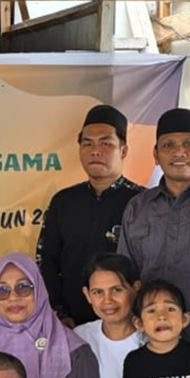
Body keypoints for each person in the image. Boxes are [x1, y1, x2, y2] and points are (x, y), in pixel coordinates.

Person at [118, 107, 190, 346]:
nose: (179, 152)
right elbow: (127, 277)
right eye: (168, 145)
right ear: (155, 154)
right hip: (152, 342)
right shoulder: (138, 207)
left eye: (189, 144)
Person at [36, 105, 141, 327]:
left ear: (123, 150)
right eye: (88, 143)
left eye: (106, 143)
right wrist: (60, 315)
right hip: (71, 325)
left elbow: (151, 266)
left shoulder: (142, 202)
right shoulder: (63, 201)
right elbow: (46, 262)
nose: (95, 151)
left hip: (129, 326)